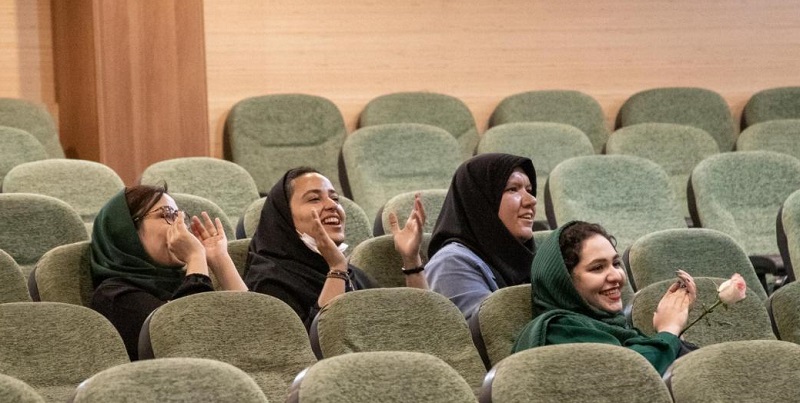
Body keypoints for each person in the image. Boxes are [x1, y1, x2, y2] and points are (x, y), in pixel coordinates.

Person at [244, 167, 427, 328]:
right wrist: (337, 269)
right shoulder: (269, 282)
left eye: (335, 198)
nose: (332, 205)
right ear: (284, 217)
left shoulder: (355, 276)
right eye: (314, 199)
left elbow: (415, 328)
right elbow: (322, 344)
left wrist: (411, 260)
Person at [513, 221, 696, 375]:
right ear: (563, 281)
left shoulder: (614, 327)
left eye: (616, 263)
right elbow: (630, 375)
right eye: (597, 268)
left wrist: (673, 322)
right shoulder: (559, 331)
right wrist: (669, 329)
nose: (616, 276)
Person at [90, 184, 247, 360]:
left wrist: (220, 259)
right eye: (167, 215)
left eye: (180, 217)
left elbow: (256, 329)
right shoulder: (114, 297)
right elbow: (194, 343)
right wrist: (195, 256)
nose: (181, 227)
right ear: (126, 231)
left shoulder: (185, 281)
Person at [425, 153, 537, 319]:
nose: (531, 200)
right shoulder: (451, 263)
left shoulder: (530, 260)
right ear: (481, 203)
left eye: (529, 190)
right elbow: (493, 329)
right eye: (513, 189)